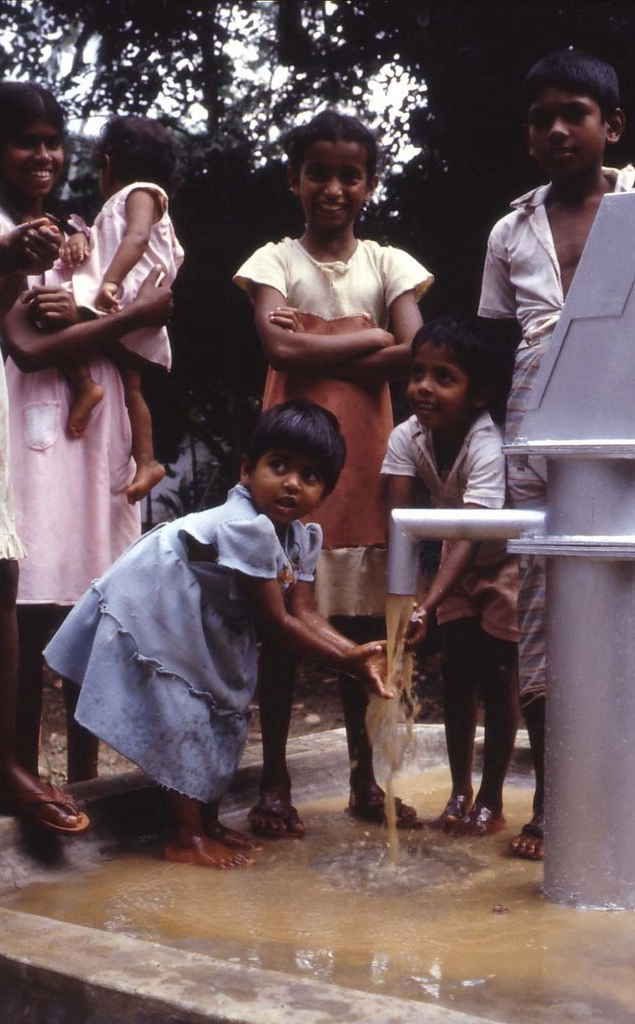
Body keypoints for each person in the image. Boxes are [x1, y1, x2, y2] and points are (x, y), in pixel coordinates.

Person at [44, 400, 391, 868]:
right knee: (183, 712)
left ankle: (205, 823)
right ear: (248, 469)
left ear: (324, 493)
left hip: (195, 613)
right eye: (279, 466)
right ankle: (185, 837)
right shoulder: (247, 526)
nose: (292, 483)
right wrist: (348, 661)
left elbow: (303, 612)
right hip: (156, 600)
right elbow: (278, 625)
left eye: (310, 477)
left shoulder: (298, 536)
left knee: (220, 711)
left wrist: (356, 653)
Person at [235, 109, 432, 838]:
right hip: (292, 472)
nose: (333, 187)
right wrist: (368, 335)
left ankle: (365, 779)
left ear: (370, 184)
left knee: (360, 627)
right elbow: (276, 352)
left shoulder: (389, 263)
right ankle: (276, 783)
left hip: (367, 468)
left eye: (350, 174)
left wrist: (327, 341)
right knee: (283, 625)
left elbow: (415, 355)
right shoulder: (273, 261)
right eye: (318, 171)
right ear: (295, 178)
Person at [0, 82, 167, 787]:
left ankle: (85, 774)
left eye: (54, 141)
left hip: (92, 422)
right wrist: (133, 314)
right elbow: (26, 345)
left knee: (92, 598)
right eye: (28, 141)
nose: (44, 154)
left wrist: (96, 308)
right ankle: (16, 770)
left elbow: (110, 310)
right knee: (24, 603)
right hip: (29, 424)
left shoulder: (71, 224)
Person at [478, 49, 628, 859]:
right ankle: (551, 792)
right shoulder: (509, 229)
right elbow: (501, 347)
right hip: (534, 427)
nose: (558, 129)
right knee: (537, 604)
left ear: (611, 125)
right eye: (541, 118)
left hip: (624, 420)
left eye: (575, 113)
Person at [0, 5, 89, 846]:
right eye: (26, 141)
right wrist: (12, 257)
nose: (40, 157)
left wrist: (33, 282)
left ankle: (0, 768)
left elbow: (8, 334)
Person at [382, 318, 519, 836]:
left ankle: (491, 796)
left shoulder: (487, 444)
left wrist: (428, 603)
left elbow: (472, 530)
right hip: (453, 565)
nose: (423, 387)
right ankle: (460, 789)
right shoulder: (407, 436)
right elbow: (399, 524)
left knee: (498, 674)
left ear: (478, 392)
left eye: (444, 377)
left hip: (502, 563)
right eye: (418, 373)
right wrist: (407, 597)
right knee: (457, 675)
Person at [55, 114, 184, 504]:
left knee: (56, 317)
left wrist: (110, 281)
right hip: (132, 302)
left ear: (107, 164)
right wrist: (79, 238)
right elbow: (99, 242)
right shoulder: (112, 210)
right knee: (133, 387)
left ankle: (84, 384)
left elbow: (138, 238)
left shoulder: (141, 194)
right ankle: (146, 461)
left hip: (124, 294)